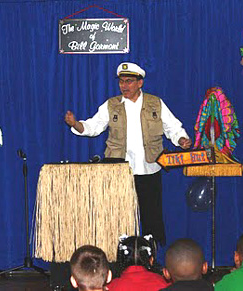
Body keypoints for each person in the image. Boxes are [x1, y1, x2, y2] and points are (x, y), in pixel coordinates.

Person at [64, 62, 191, 245]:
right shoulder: (111, 105)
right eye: (122, 81)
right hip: (118, 169)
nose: (124, 86)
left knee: (151, 216)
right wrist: (76, 124)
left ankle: (150, 257)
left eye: (129, 81)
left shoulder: (155, 103)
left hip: (150, 167)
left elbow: (173, 127)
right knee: (118, 215)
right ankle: (119, 258)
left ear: (140, 83)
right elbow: (93, 126)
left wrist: (181, 140)